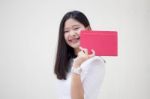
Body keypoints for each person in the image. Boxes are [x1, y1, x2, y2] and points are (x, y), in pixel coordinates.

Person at [54, 10, 105, 99]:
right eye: (66, 31)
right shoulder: (66, 61)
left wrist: (76, 66)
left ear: (88, 29)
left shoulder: (95, 62)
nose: (72, 34)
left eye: (76, 28)